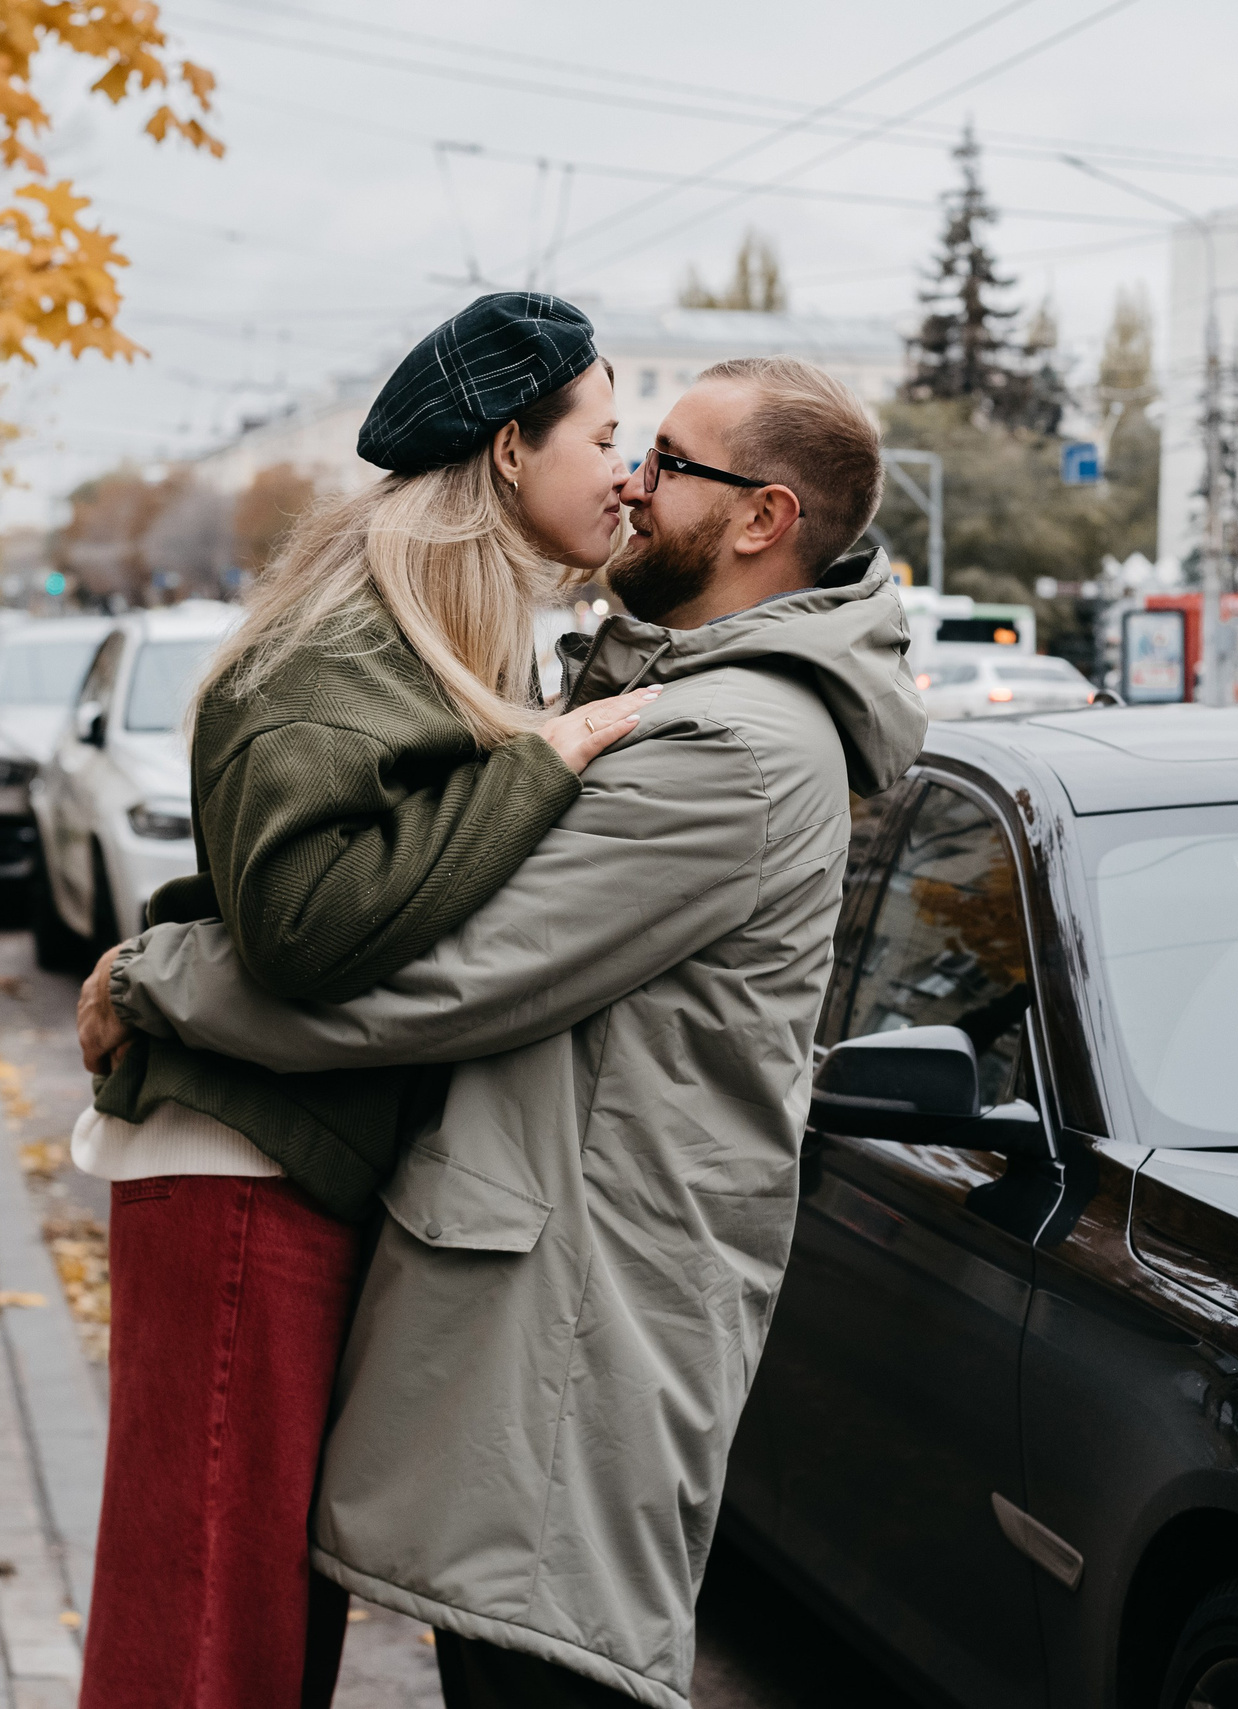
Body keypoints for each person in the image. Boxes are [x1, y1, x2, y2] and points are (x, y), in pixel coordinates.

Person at [79, 354, 923, 1709]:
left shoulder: (735, 744)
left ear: (763, 519)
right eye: (624, 446)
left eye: (667, 461)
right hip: (540, 1324)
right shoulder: (665, 694)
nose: (635, 484)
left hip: (578, 1342)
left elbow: (440, 978)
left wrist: (155, 980)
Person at [68, 293, 658, 1709]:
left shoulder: (442, 626)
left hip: (293, 1167)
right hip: (236, 1183)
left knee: (260, 1634)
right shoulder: (349, 646)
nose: (628, 473)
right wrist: (547, 761)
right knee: (208, 1646)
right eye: (609, 438)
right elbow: (303, 923)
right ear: (513, 450)